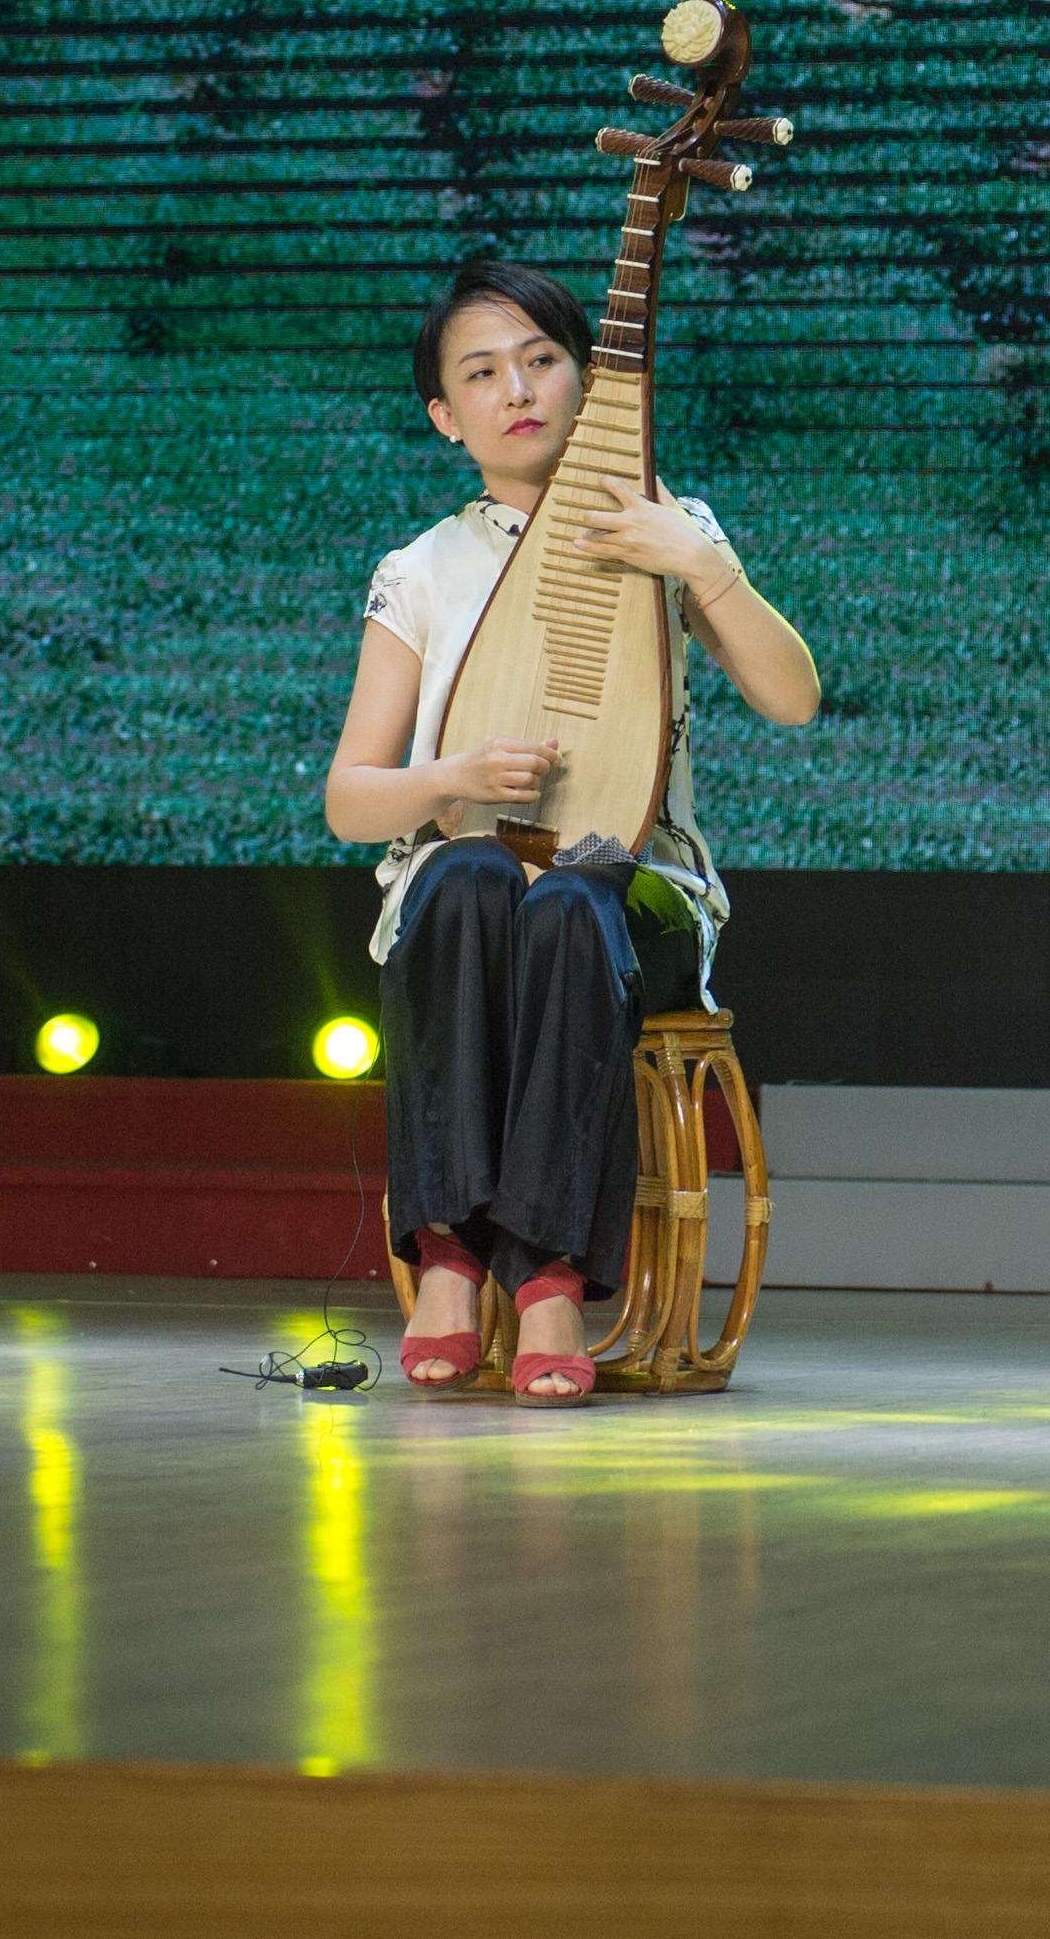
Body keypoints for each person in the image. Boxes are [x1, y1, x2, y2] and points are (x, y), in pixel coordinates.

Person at [323, 258, 819, 1403]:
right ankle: (450, 1257)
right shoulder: (422, 569)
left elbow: (792, 698)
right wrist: (451, 776)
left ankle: (548, 1278)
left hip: (634, 892)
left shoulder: (669, 526)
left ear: (589, 382)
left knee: (566, 899)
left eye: (542, 360)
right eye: (481, 373)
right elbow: (351, 800)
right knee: (464, 881)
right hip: (468, 886)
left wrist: (698, 563)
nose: (517, 389)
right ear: (444, 416)